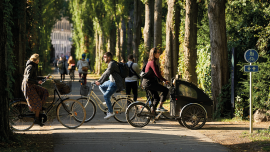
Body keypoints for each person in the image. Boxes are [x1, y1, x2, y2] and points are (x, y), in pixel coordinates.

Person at [21, 53, 49, 126]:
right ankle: (36, 119)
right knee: (38, 102)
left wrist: (44, 78)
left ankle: (39, 108)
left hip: (31, 85)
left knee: (44, 91)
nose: (39, 60)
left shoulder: (33, 65)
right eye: (38, 59)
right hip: (28, 86)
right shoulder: (30, 66)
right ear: (35, 60)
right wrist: (37, 82)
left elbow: (34, 77)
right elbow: (28, 79)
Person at [95, 52, 124, 119]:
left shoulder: (112, 64)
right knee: (101, 86)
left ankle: (111, 112)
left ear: (109, 57)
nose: (103, 58)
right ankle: (108, 99)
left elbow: (107, 73)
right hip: (111, 81)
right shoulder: (111, 63)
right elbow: (105, 73)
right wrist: (100, 81)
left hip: (115, 83)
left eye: (104, 57)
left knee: (105, 96)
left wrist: (100, 81)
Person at [142, 48, 169, 114]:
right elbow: (157, 74)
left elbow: (155, 74)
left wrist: (161, 80)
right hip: (149, 83)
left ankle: (152, 114)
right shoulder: (152, 62)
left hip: (147, 82)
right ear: (154, 54)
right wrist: (165, 80)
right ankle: (160, 107)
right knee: (165, 90)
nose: (159, 53)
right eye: (158, 52)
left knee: (156, 98)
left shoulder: (150, 61)